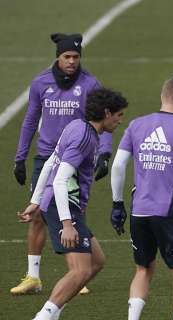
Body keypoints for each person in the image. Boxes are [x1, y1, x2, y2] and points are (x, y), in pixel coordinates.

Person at [11, 33, 112, 295]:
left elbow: (107, 115)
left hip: (77, 158)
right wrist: (20, 158)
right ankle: (33, 276)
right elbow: (30, 121)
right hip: (47, 157)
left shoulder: (90, 84)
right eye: (67, 57)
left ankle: (76, 273)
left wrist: (105, 153)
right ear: (58, 56)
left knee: (73, 209)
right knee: (39, 215)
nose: (72, 62)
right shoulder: (40, 83)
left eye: (76, 57)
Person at [17, 88, 128, 320]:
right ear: (107, 113)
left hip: (60, 204)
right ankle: (44, 316)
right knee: (81, 270)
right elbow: (59, 180)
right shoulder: (85, 138)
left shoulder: (75, 125)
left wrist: (36, 201)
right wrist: (67, 224)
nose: (120, 120)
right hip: (64, 205)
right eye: (118, 115)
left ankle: (54, 310)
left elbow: (49, 163)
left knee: (96, 262)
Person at [110, 76, 173, 320]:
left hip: (139, 211)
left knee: (143, 270)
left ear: (162, 95)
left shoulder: (136, 125)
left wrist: (117, 204)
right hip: (169, 212)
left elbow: (117, 167)